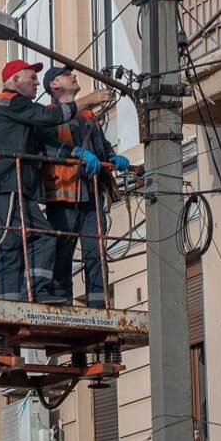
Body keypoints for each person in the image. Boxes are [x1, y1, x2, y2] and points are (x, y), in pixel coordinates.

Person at [0, 59, 112, 303]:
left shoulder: (13, 108)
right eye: (31, 77)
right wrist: (89, 100)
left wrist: (93, 155)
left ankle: (10, 302)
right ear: (16, 81)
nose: (36, 82)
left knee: (12, 244)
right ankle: (36, 291)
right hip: (8, 186)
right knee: (42, 235)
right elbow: (50, 119)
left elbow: (47, 142)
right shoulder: (14, 102)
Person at [38, 66, 130, 308]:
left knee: (95, 252)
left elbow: (104, 147)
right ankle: (61, 303)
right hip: (63, 195)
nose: (74, 76)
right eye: (68, 75)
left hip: (91, 194)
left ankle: (98, 304)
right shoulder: (49, 114)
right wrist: (75, 153)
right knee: (63, 251)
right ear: (55, 85)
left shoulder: (88, 117)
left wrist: (113, 158)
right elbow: (46, 145)